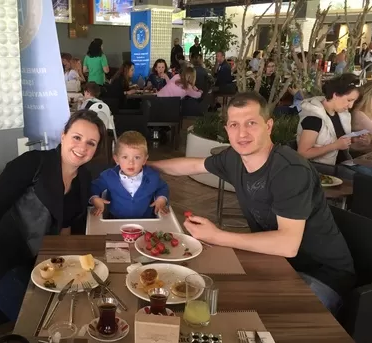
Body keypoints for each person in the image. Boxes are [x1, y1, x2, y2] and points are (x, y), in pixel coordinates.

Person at [147, 92, 355, 316]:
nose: (242, 133)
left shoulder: (290, 170)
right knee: (211, 301)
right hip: (276, 262)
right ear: (227, 130)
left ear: (268, 126)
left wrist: (217, 236)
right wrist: (146, 166)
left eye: (251, 123)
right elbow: (192, 166)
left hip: (321, 276)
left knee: (261, 320)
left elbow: (288, 244)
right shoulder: (234, 158)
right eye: (234, 125)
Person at [0, 110, 106, 321]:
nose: (82, 147)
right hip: (2, 262)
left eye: (91, 143)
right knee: (40, 321)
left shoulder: (84, 178)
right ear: (63, 135)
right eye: (77, 137)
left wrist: (65, 263)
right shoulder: (32, 163)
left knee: (78, 309)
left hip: (43, 262)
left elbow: (65, 226)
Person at [296, 73, 372, 178]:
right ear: (335, 95)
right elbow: (303, 153)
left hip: (344, 164)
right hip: (324, 170)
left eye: (353, 101)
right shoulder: (314, 118)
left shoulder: (340, 114)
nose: (350, 106)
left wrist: (354, 140)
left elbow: (337, 141)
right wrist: (335, 146)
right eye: (349, 100)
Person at [90, 131, 169, 219]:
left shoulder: (152, 176)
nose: (131, 162)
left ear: (144, 160)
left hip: (145, 221)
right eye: (125, 157)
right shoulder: (108, 176)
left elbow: (162, 187)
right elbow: (93, 187)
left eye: (137, 157)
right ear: (116, 159)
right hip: (115, 221)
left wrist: (161, 199)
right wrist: (95, 199)